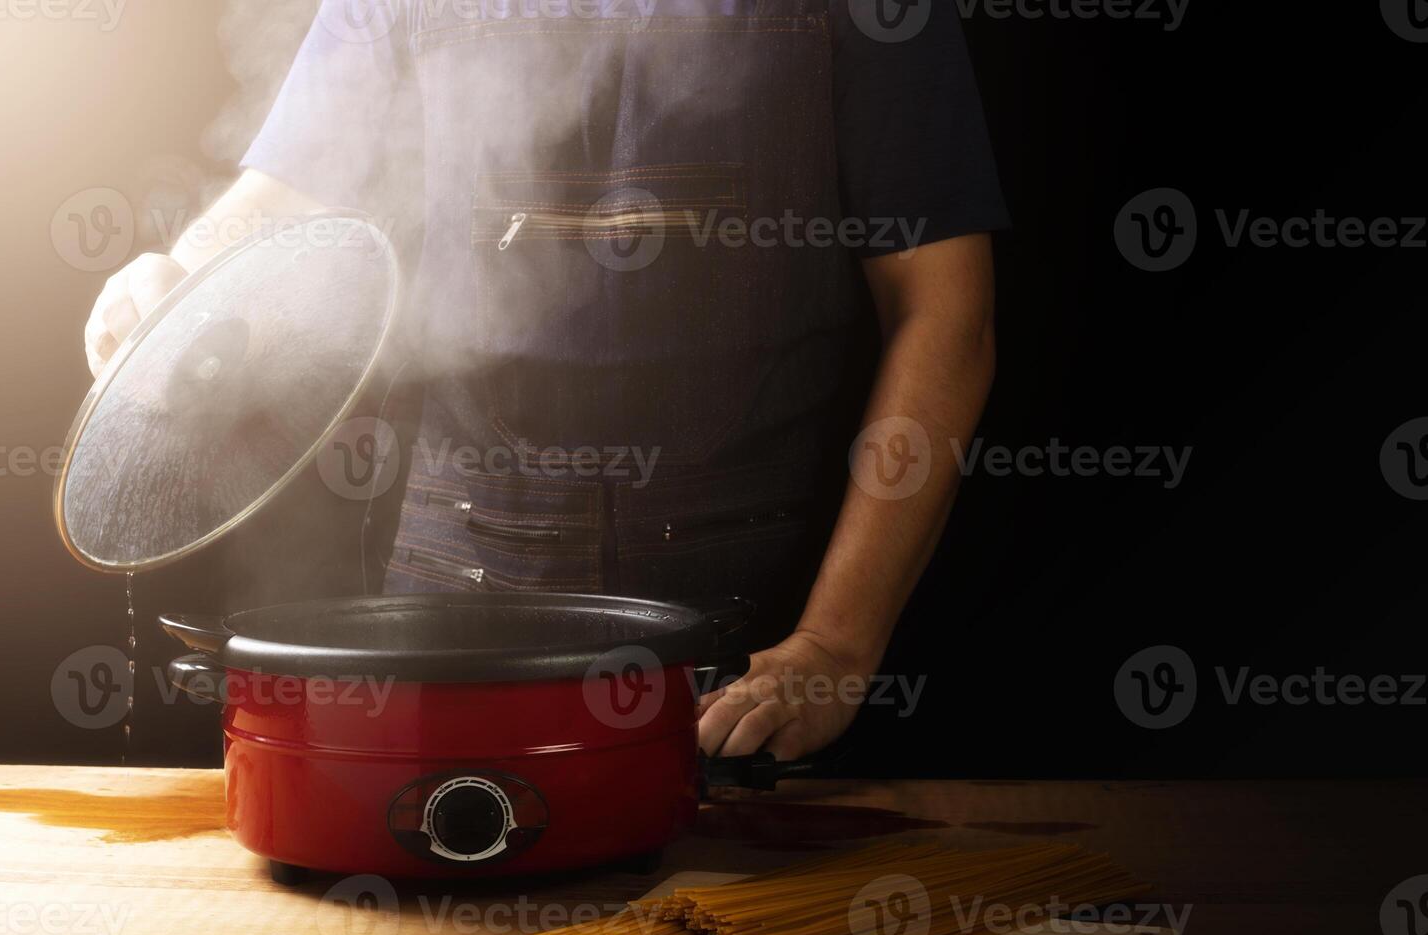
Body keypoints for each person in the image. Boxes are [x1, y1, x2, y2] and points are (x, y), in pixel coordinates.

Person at [82, 0, 1007, 764]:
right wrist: (177, 275)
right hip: (452, 595)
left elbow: (945, 316)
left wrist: (836, 645)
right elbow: (280, 207)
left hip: (757, 617)